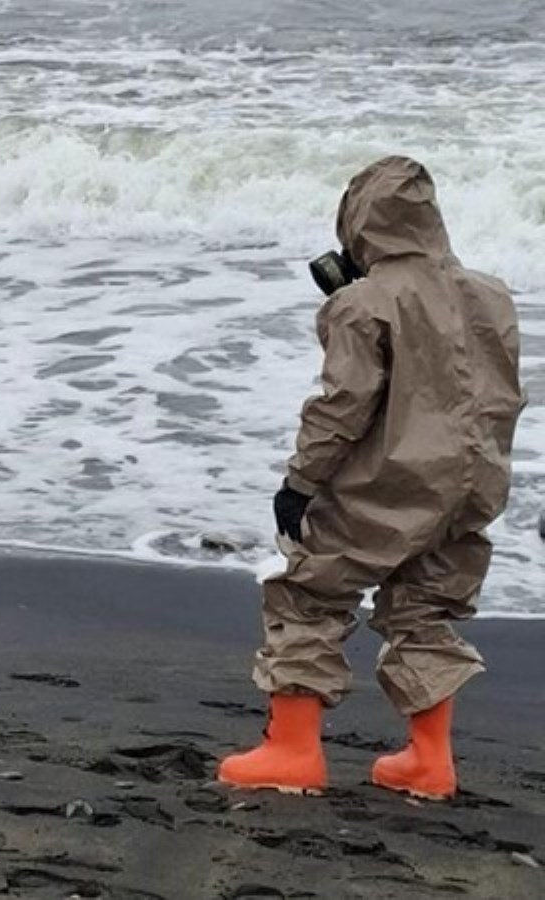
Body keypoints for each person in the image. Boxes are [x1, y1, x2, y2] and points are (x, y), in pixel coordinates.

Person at [218, 156, 525, 799]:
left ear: (361, 225)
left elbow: (343, 405)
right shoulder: (491, 294)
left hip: (390, 479)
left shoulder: (363, 303)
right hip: (472, 482)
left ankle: (294, 753)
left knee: (309, 594)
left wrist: (300, 482)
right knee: (425, 609)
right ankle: (430, 761)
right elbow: (500, 396)